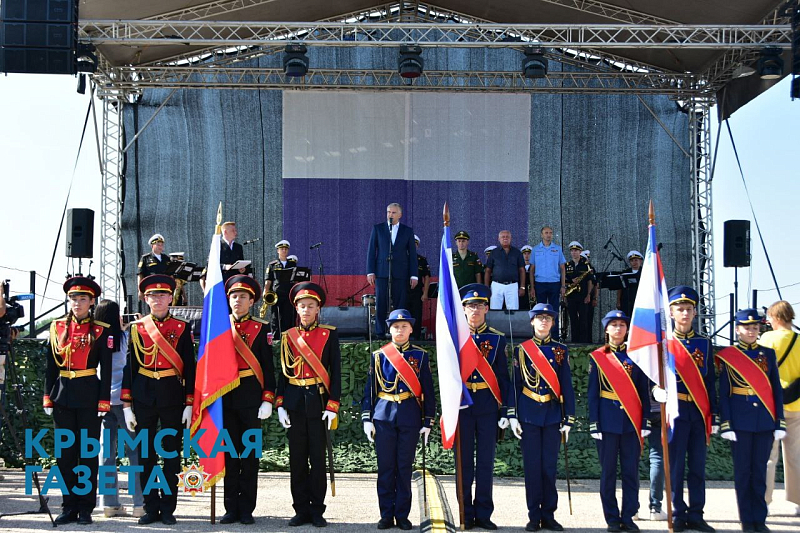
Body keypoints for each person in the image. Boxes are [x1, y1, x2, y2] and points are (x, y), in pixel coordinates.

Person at [121, 274, 196, 526]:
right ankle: (150, 507)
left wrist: (189, 403)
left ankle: (168, 507)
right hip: (143, 395)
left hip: (172, 395)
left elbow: (190, 367)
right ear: (145, 299)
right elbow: (130, 367)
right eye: (153, 295)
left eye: (163, 295)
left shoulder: (182, 327)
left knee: (171, 454)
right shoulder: (137, 327)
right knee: (146, 455)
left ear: (170, 298)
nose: (158, 299)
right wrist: (127, 405)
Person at [44, 276, 112, 525]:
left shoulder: (101, 330)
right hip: (62, 396)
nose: (77, 303)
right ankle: (68, 506)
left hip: (89, 397)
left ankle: (85, 508)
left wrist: (104, 401)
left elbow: (106, 368)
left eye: (83, 299)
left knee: (87, 455)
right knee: (65, 456)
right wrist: (47, 396)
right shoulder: (57, 327)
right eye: (73, 298)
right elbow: (51, 366)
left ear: (92, 302)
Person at [361, 309, 435, 531]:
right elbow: (370, 390)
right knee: (385, 468)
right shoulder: (379, 356)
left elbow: (428, 391)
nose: (400, 330)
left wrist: (428, 421)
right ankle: (386, 514)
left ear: (411, 329)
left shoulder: (420, 356)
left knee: (404, 468)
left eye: (404, 326)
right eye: (395, 327)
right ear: (389, 329)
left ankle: (402, 515)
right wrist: (367, 418)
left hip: (410, 415)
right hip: (383, 416)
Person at [276, 282, 341, 528]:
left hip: (318, 401)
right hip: (294, 402)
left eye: (310, 306)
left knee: (317, 459)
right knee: (297, 460)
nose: (306, 310)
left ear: (318, 309)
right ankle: (300, 509)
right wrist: (280, 404)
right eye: (302, 306)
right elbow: (283, 373)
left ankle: (317, 510)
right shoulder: (288, 336)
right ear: (296, 308)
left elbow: (336, 372)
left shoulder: (329, 334)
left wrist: (332, 405)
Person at [718, 309, 786, 533]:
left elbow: (776, 390)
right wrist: (726, 422)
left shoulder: (768, 354)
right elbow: (724, 393)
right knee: (743, 473)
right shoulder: (729, 356)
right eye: (746, 327)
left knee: (759, 473)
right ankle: (747, 520)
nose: (751, 331)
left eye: (755, 327)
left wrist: (779, 421)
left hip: (764, 420)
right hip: (740, 422)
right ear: (737, 329)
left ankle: (760, 519)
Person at [509, 303, 575, 532]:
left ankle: (548, 515)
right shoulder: (521, 350)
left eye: (548, 318)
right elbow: (515, 385)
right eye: (539, 318)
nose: (544, 321)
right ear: (532, 322)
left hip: (552, 415)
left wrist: (569, 418)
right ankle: (533, 516)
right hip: (528, 415)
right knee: (532, 469)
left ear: (553, 323)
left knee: (549, 468)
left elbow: (566, 385)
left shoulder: (560, 350)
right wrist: (512, 415)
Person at [588, 310, 651, 533]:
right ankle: (612, 518)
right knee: (608, 473)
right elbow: (593, 394)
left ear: (627, 329)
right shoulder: (598, 357)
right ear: (606, 329)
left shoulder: (636, 356)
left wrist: (645, 421)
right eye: (613, 324)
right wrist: (594, 422)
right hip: (607, 421)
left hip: (631, 421)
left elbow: (643, 392)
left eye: (622, 325)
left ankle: (629, 516)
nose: (618, 328)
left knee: (630, 472)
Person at [220, 275, 276, 525]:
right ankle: (230, 508)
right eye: (234, 296)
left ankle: (246, 509)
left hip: (252, 399)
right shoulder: (219, 326)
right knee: (229, 456)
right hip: (225, 398)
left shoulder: (261, 328)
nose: (238, 300)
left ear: (252, 301)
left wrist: (268, 399)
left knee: (250, 457)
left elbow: (268, 367)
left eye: (243, 297)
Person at [456, 284, 510, 530]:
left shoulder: (497, 338)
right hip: (463, 407)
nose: (475, 310)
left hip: (488, 406)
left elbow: (503, 378)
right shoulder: (455, 337)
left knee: (486, 463)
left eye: (479, 305)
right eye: (470, 306)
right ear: (463, 309)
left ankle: (484, 514)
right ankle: (465, 513)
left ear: (487, 309)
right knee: (464, 463)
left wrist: (505, 410)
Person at [664, 286, 718, 532]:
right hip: (675, 411)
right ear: (671, 313)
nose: (685, 313)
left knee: (697, 467)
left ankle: (696, 514)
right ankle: (677, 513)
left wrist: (713, 414)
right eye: (680, 309)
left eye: (689, 309)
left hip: (698, 411)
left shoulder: (704, 343)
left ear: (695, 313)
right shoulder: (664, 343)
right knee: (675, 467)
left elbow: (710, 382)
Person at [94, 300, 144, 519]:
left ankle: (109, 503)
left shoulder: (94, 338)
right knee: (135, 452)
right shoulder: (125, 338)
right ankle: (139, 503)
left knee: (106, 453)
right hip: (125, 401)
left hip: (102, 401)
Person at [761, 301, 800, 516]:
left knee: (769, 457)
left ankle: (765, 502)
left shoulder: (767, 339)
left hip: (772, 405)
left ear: (776, 318)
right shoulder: (799, 340)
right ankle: (798, 501)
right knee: (795, 456)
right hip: (797, 404)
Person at [366, 203, 419, 337]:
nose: (390, 215)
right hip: (382, 271)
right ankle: (380, 332)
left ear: (400, 215)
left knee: (400, 303)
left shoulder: (407, 231)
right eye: (388, 212)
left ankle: (399, 332)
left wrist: (414, 275)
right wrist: (370, 271)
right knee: (381, 302)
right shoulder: (378, 229)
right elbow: (371, 251)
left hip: (401, 272)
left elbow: (412, 255)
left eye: (394, 212)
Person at [531, 227, 567, 340]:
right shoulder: (535, 249)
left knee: (554, 311)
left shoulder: (557, 249)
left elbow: (562, 268)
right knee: (540, 311)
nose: (548, 235)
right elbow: (532, 269)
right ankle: (540, 336)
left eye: (550, 233)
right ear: (541, 235)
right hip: (540, 283)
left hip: (554, 283)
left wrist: (563, 286)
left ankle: (554, 337)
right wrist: (532, 287)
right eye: (546, 233)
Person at [200, 221, 251, 290]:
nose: (236, 233)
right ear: (225, 232)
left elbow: (241, 261)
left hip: (235, 281)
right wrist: (224, 266)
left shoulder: (238, 247)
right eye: (233, 231)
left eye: (235, 230)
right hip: (221, 281)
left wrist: (243, 269)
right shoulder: (217, 245)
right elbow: (210, 264)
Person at [484, 230, 525, 311]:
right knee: (495, 310)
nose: (505, 238)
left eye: (507, 237)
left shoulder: (517, 252)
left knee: (513, 311)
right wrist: (486, 287)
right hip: (497, 285)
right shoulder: (494, 253)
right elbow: (488, 270)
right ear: (499, 239)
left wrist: (522, 287)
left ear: (511, 238)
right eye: (503, 237)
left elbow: (522, 270)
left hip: (512, 285)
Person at [265, 240, 299, 335]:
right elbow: (268, 280)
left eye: (286, 249)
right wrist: (265, 292)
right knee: (276, 317)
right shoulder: (272, 265)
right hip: (277, 295)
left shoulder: (292, 264)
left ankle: (290, 337)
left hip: (289, 294)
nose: (284, 250)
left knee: (289, 317)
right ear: (278, 251)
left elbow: (296, 280)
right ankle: (276, 339)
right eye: (282, 249)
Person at [564, 241, 593, 343]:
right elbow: (563, 281)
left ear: (580, 252)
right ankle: (574, 342)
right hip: (571, 296)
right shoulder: (567, 265)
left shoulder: (586, 265)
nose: (574, 252)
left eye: (576, 250)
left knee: (583, 320)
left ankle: (583, 343)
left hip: (583, 296)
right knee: (573, 319)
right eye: (572, 251)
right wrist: (570, 281)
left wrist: (588, 295)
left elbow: (590, 281)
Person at [406, 235, 431, 340]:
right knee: (404, 314)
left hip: (417, 292)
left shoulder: (422, 260)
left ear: (417, 246)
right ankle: (405, 337)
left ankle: (415, 337)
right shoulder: (401, 258)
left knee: (416, 314)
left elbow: (427, 277)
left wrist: (425, 293)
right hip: (403, 292)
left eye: (415, 244)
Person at [138, 234, 171, 299]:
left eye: (162, 245)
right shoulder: (145, 258)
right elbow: (140, 275)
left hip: (165, 288)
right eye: (158, 245)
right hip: (152, 288)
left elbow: (171, 274)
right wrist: (140, 290)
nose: (160, 247)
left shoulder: (166, 258)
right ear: (152, 245)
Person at [616, 251, 643, 318]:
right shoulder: (625, 273)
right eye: (632, 261)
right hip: (626, 301)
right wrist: (618, 301)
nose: (634, 262)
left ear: (640, 261)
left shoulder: (645, 272)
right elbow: (620, 288)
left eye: (636, 260)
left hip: (641, 301)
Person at [520, 244, 534, 311]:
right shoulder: (519, 268)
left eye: (529, 253)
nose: (526, 256)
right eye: (524, 254)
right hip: (523, 292)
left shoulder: (535, 267)